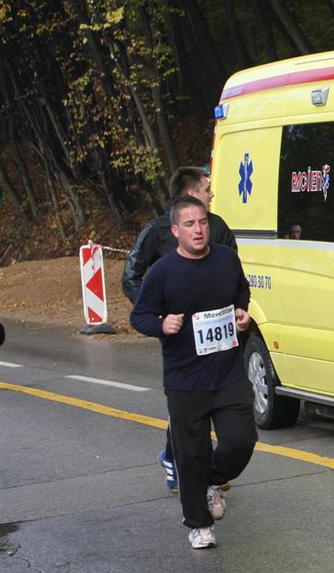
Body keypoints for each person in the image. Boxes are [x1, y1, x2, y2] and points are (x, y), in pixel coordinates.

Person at [130, 195, 257, 549]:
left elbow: (241, 291)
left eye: (202, 222)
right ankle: (199, 525)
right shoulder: (162, 272)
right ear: (175, 231)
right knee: (190, 454)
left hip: (228, 372)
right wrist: (161, 324)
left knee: (241, 441)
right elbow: (139, 316)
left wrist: (242, 313)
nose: (198, 230)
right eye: (189, 224)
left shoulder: (226, 259)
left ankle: (210, 481)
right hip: (186, 380)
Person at [122, 166, 237, 493]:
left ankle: (207, 464)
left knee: (219, 397)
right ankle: (178, 461)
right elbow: (130, 277)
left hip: (217, 329)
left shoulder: (218, 227)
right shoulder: (157, 231)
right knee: (189, 402)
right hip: (181, 336)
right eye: (206, 189)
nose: (211, 195)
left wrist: (236, 307)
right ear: (189, 194)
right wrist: (158, 316)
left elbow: (233, 270)